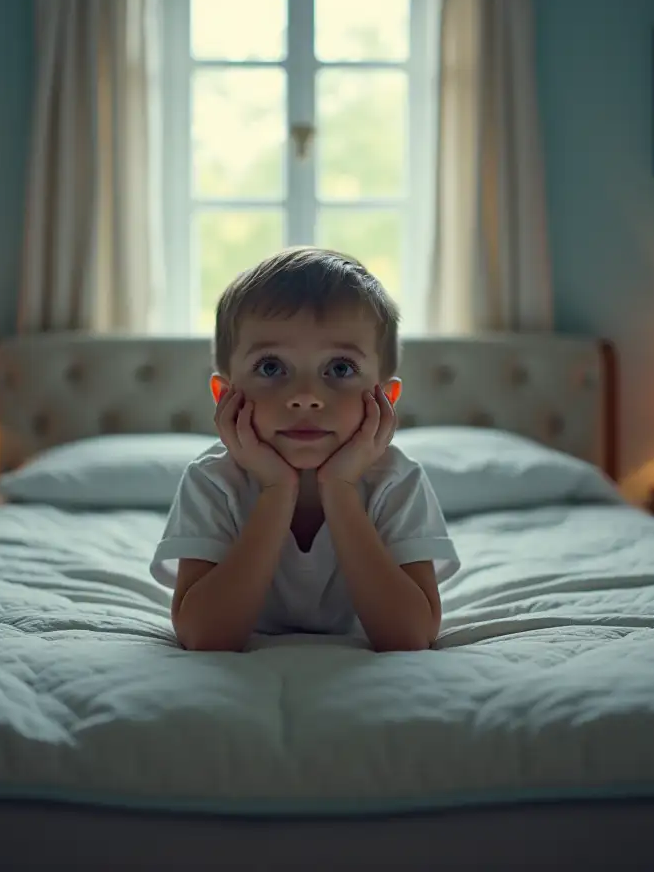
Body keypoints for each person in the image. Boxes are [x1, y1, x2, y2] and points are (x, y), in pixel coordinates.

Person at [150, 247, 459, 652]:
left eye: (341, 368)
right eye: (271, 367)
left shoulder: (398, 482)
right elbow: (205, 636)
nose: (306, 397)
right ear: (224, 396)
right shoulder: (212, 481)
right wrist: (277, 490)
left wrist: (341, 488)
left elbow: (411, 636)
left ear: (385, 399)